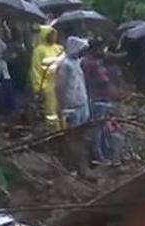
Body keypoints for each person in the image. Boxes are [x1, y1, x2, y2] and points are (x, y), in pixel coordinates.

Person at [55, 36, 91, 172]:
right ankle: (77, 167)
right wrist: (62, 107)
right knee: (75, 137)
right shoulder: (65, 65)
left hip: (81, 102)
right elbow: (60, 87)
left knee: (81, 137)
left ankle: (83, 166)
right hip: (72, 106)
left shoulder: (76, 62)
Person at [82, 39, 119, 164]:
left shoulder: (95, 61)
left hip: (102, 99)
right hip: (97, 99)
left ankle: (105, 155)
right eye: (100, 48)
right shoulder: (90, 63)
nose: (102, 51)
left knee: (104, 129)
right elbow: (101, 79)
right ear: (94, 49)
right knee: (97, 131)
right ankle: (98, 156)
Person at [30, 25, 63, 126]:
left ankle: (66, 129)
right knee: (51, 110)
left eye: (54, 35)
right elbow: (35, 70)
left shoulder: (59, 48)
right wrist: (40, 87)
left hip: (61, 83)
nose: (53, 37)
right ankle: (54, 131)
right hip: (48, 85)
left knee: (63, 109)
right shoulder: (39, 50)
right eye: (51, 35)